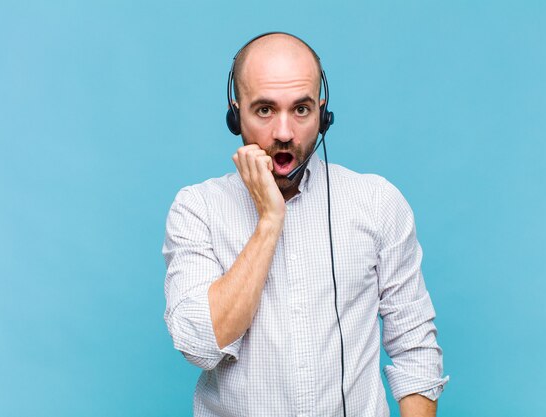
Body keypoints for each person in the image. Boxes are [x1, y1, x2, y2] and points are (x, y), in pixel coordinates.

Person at [163, 32, 449, 417]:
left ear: (323, 112)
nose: (284, 132)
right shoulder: (197, 209)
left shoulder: (377, 202)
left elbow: (415, 350)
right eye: (264, 110)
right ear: (235, 114)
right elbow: (199, 345)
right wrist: (270, 219)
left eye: (301, 110)